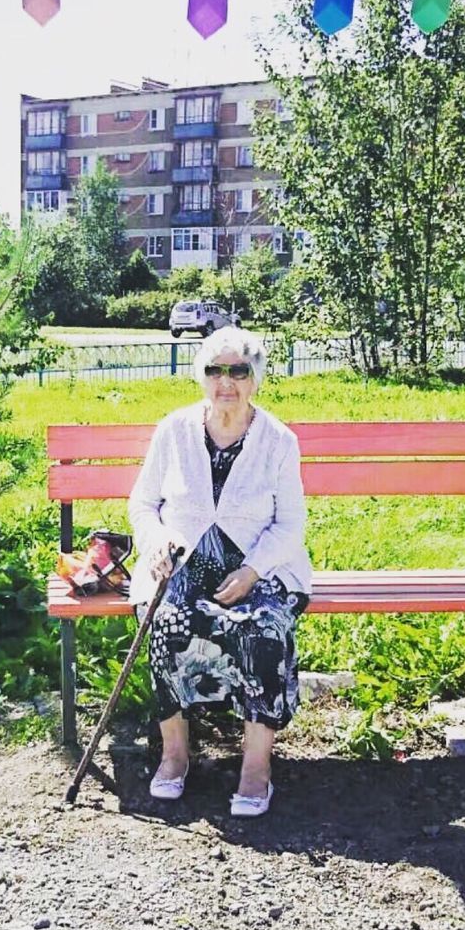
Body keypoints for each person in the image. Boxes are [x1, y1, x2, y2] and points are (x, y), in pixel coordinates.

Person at [127, 327, 311, 817]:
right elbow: (143, 505)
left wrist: (252, 572)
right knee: (164, 625)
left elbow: (291, 523)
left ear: (255, 378)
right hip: (183, 564)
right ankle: (174, 754)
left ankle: (255, 768)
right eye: (215, 370)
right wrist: (156, 543)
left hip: (259, 568)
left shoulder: (278, 441)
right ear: (201, 377)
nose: (225, 381)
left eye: (238, 370)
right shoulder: (173, 430)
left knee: (264, 631)